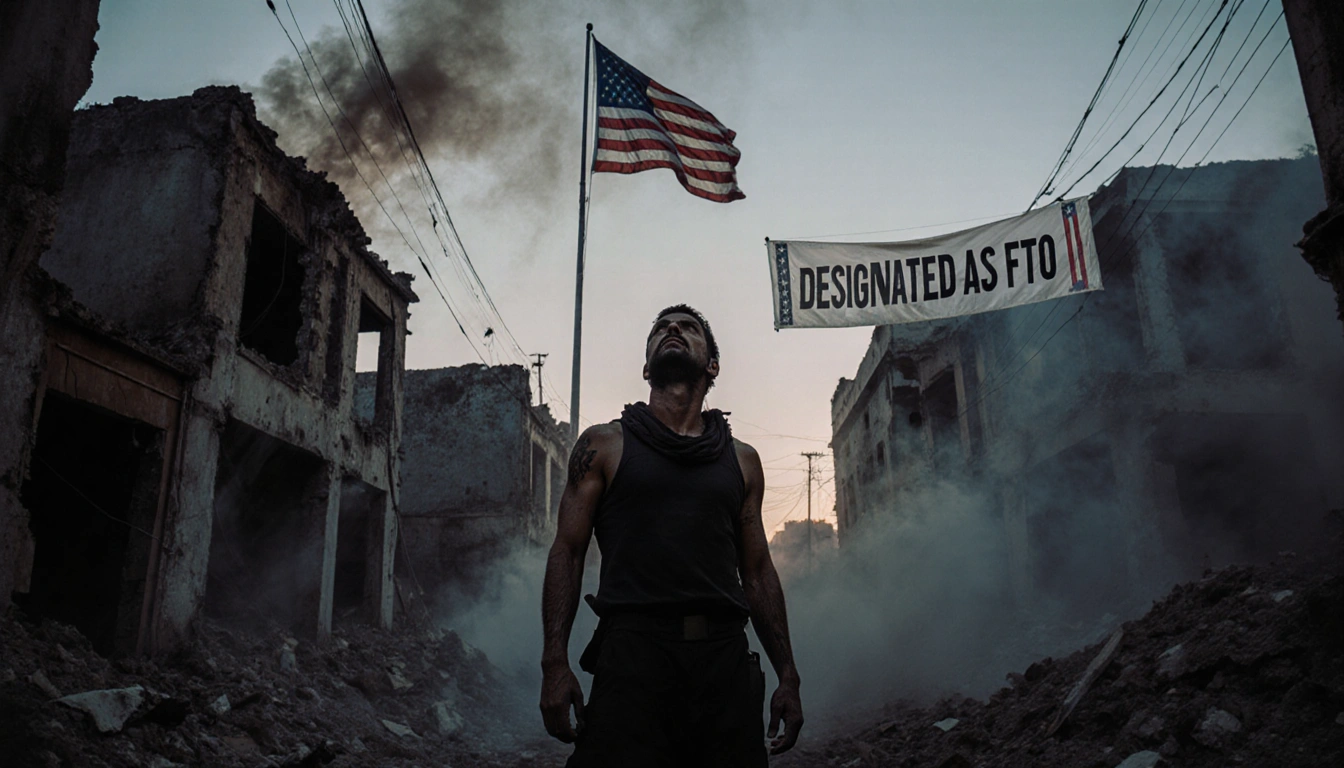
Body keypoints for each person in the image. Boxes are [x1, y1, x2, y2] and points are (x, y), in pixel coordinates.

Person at [540, 304, 804, 767]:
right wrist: (554, 664)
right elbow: (567, 551)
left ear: (712, 365)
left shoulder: (742, 461)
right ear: (646, 367)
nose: (672, 329)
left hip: (722, 661)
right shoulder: (603, 444)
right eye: (661, 328)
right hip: (632, 658)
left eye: (688, 327)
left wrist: (788, 675)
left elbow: (758, 572)